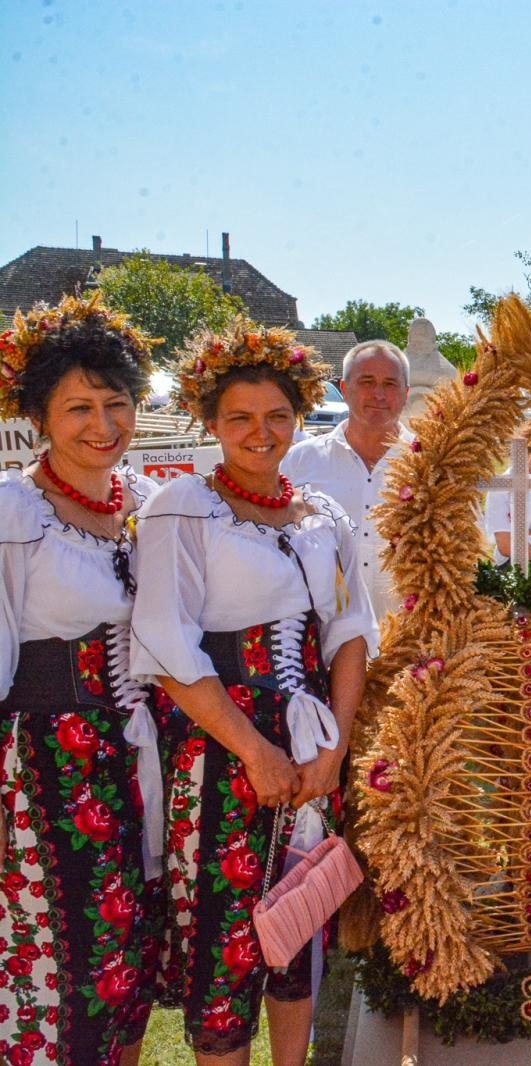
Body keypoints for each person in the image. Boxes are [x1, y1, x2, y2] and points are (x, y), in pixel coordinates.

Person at [131, 321, 378, 1065]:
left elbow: (349, 632)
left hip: (308, 747)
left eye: (276, 416)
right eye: (239, 417)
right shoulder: (183, 509)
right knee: (225, 940)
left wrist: (332, 746)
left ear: (298, 417)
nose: (260, 432)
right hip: (219, 747)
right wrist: (254, 751)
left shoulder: (322, 516)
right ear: (210, 422)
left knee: (295, 927)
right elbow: (168, 647)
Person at [0, 294, 163, 1066]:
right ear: (38, 415)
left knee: (126, 963)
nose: (103, 425)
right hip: (47, 772)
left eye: (116, 403)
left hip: (139, 757)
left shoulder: (149, 507)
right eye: (78, 408)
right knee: (61, 967)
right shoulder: (12, 512)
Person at [281, 339, 414, 618]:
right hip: (325, 637)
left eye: (390, 384)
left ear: (405, 394)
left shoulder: (433, 463)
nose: (378, 394)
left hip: (410, 640)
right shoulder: (301, 462)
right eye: (367, 381)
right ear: (343, 389)